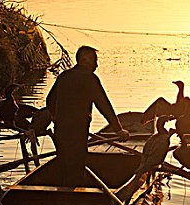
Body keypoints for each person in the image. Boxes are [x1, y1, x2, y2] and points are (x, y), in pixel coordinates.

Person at [46, 45, 130, 187]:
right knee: (77, 165)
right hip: (78, 131)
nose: (96, 65)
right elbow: (103, 105)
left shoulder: (63, 76)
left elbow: (50, 101)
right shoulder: (89, 78)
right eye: (94, 60)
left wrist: (57, 118)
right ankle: (74, 201)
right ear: (84, 60)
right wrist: (118, 130)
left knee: (63, 162)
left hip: (60, 130)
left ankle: (62, 195)